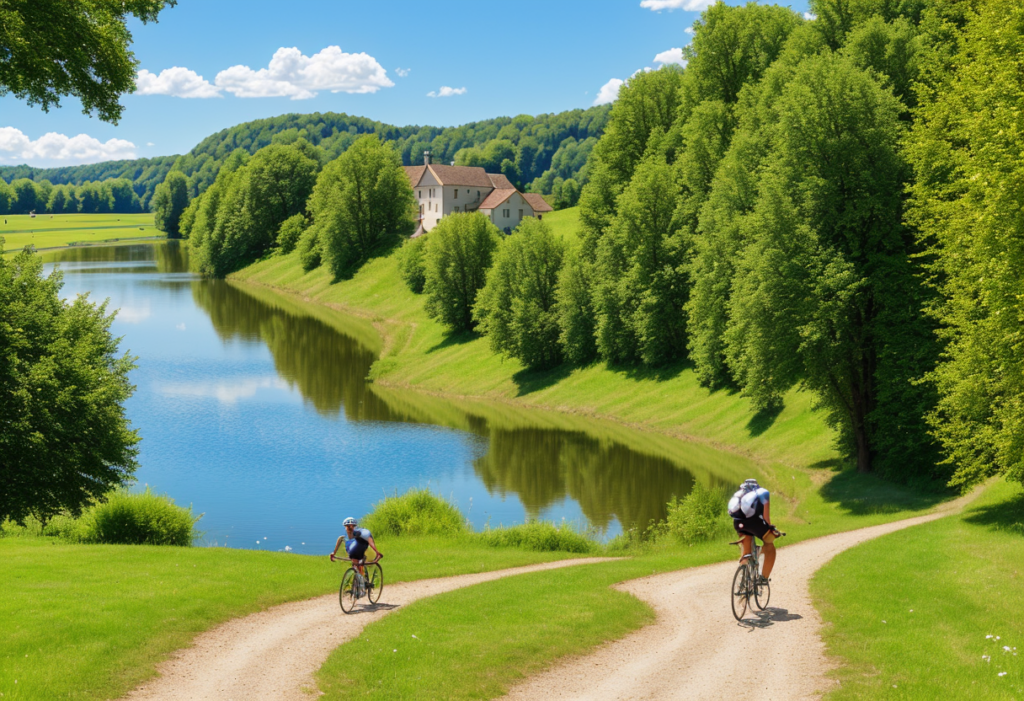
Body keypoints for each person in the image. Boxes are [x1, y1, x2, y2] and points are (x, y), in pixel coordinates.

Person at [728, 479, 779, 583]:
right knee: (769, 544)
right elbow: (766, 518)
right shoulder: (763, 493)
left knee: (747, 549)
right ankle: (763, 578)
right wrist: (770, 528)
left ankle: (743, 571)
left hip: (738, 524)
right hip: (754, 523)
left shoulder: (739, 494)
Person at [330, 517, 382, 588]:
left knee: (359, 564)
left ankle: (363, 582)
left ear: (354, 527)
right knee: (355, 565)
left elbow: (367, 540)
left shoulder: (359, 534)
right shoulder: (343, 537)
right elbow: (339, 540)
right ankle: (358, 581)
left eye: (352, 526)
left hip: (360, 550)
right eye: (348, 526)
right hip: (352, 552)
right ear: (345, 527)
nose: (350, 528)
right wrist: (334, 553)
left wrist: (376, 551)